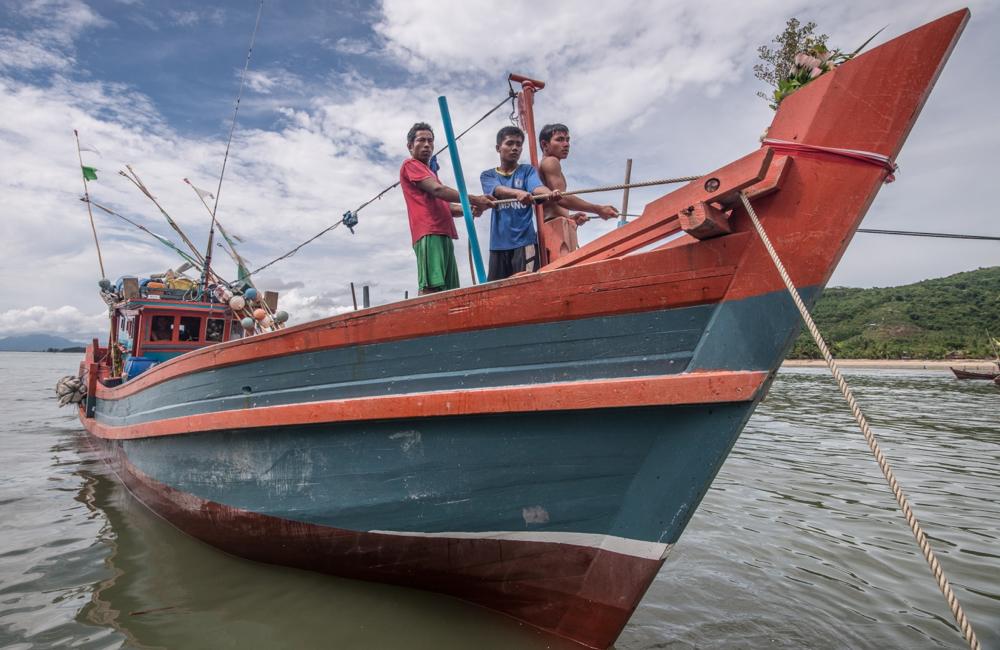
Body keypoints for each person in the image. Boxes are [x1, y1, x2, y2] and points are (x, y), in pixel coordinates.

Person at [400, 122, 494, 294]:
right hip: (429, 232)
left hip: (443, 233)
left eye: (430, 141)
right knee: (431, 286)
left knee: (448, 290)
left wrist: (470, 207)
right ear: (410, 146)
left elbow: (446, 207)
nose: (427, 145)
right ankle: (426, 319)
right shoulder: (410, 165)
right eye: (421, 140)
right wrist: (473, 199)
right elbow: (438, 191)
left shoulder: (431, 174)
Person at [479, 126, 559, 281]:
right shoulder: (487, 175)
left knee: (526, 285)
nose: (515, 148)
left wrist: (549, 193)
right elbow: (497, 189)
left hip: (525, 243)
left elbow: (537, 188)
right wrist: (517, 192)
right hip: (498, 245)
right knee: (496, 292)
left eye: (518, 144)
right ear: (498, 148)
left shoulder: (527, 171)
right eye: (509, 143)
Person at [538, 123, 618, 229]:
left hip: (555, 225)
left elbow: (552, 206)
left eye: (567, 140)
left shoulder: (548, 164)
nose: (566, 144)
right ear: (545, 145)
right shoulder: (550, 162)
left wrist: (571, 218)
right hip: (554, 227)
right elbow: (562, 198)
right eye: (560, 139)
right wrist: (597, 209)